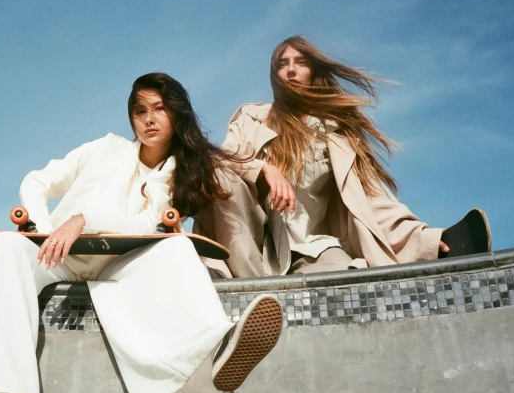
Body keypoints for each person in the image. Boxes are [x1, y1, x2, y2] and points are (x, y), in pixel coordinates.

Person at [0, 73, 284, 393]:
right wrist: (41, 228)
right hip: (58, 254)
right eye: (140, 111)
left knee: (176, 245)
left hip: (121, 260)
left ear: (177, 115)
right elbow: (36, 181)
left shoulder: (176, 173)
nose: (149, 119)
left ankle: (215, 348)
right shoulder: (103, 148)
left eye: (159, 109)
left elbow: (147, 225)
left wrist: (85, 220)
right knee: (6, 247)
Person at [194, 36, 490, 278]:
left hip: (312, 246)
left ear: (314, 72)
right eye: (283, 65)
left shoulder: (336, 133)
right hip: (255, 242)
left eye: (300, 63)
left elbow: (370, 199)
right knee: (223, 176)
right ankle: (236, 285)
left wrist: (425, 242)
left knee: (345, 280)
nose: (291, 70)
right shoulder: (253, 118)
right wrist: (264, 170)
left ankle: (438, 252)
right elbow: (221, 160)